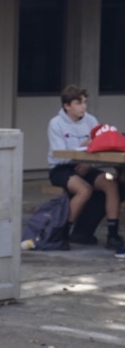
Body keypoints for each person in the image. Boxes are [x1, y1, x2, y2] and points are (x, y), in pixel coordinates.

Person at [47, 84, 121, 250]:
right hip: (61, 168)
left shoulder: (91, 120)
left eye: (85, 102)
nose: (83, 107)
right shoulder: (56, 123)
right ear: (66, 106)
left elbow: (97, 148)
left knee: (111, 183)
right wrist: (81, 147)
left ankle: (113, 234)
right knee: (85, 189)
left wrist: (88, 162)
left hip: (86, 165)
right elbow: (59, 155)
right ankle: (62, 235)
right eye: (78, 103)